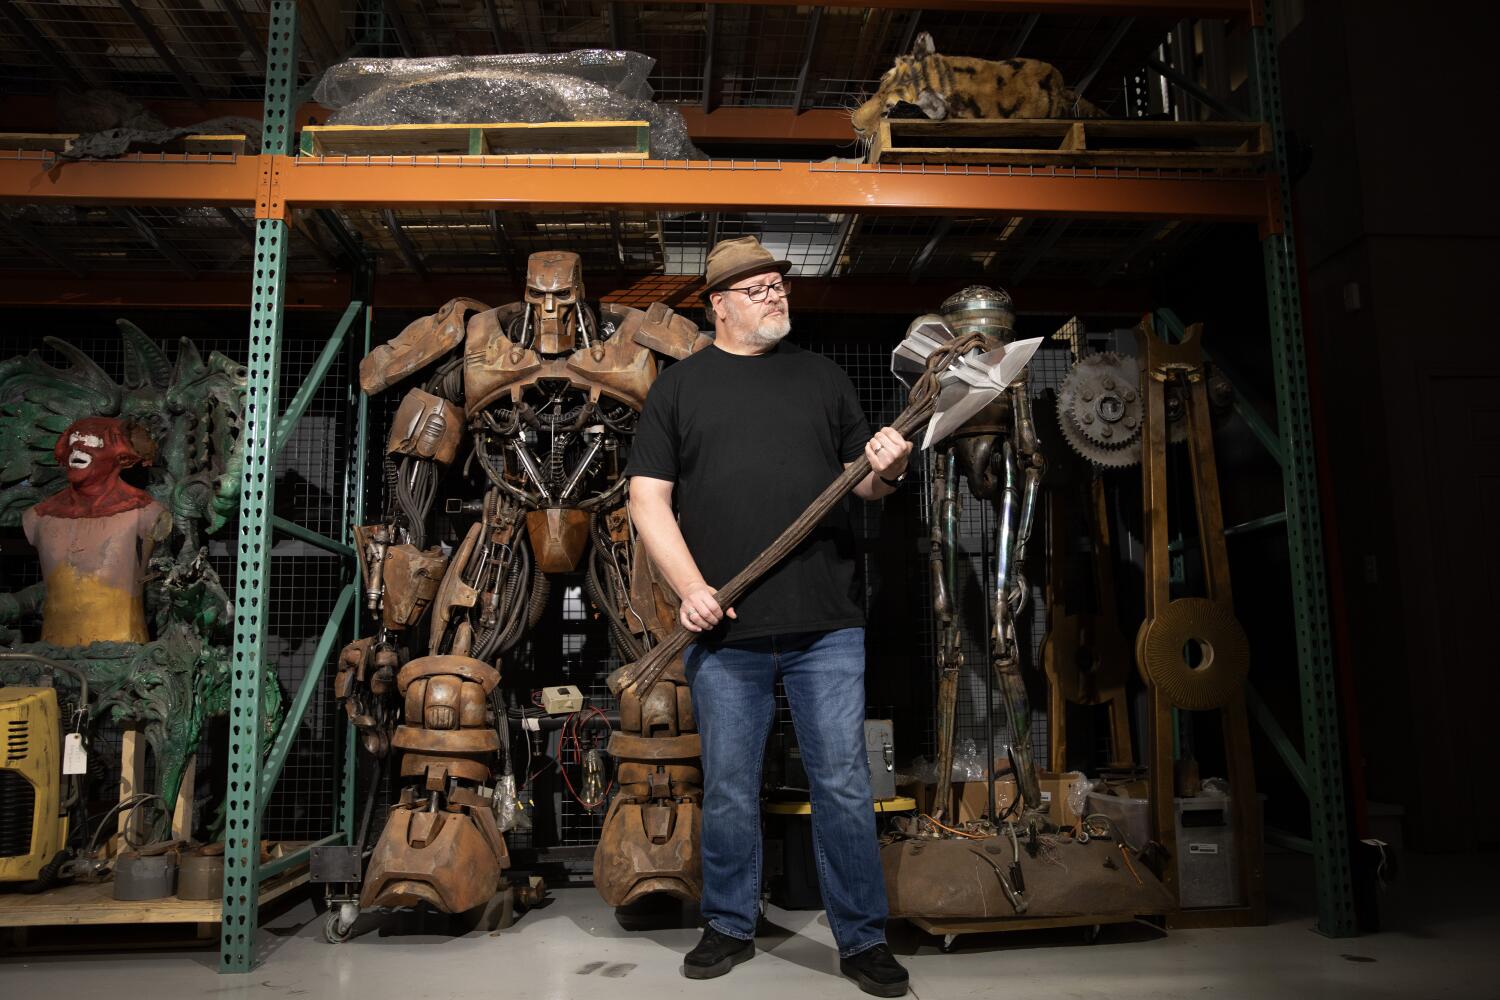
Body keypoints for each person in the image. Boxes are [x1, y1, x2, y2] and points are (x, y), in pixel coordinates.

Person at [625, 236, 913, 998]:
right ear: (717, 305)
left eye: (778, 284)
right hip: (724, 628)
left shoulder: (821, 379)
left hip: (826, 622)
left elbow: (867, 488)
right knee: (726, 784)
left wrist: (891, 467)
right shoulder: (679, 390)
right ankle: (727, 924)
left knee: (845, 783)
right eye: (755, 289)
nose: (775, 295)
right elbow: (646, 500)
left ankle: (861, 939)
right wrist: (688, 588)